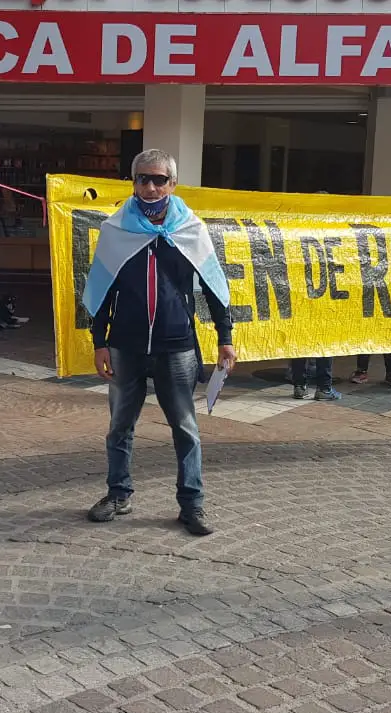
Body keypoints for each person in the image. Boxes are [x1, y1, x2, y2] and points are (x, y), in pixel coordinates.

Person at [84, 149, 235, 536]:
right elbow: (102, 290)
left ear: (173, 184)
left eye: (159, 180)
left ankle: (192, 504)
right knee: (120, 426)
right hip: (126, 344)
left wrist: (225, 338)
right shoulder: (116, 229)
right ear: (133, 182)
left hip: (176, 346)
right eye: (143, 179)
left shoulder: (190, 229)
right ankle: (118, 494)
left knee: (185, 428)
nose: (151, 187)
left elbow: (214, 287)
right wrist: (100, 342)